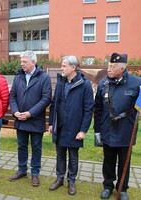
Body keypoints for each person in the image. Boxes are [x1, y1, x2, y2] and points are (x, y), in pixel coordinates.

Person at [94, 53, 141, 200]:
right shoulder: (103, 84)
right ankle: (108, 186)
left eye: (113, 67)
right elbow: (98, 109)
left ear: (122, 68)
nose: (109, 69)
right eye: (108, 66)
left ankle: (122, 188)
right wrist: (97, 130)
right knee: (108, 160)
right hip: (107, 129)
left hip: (126, 130)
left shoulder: (136, 83)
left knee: (124, 162)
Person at [48, 56, 94, 195]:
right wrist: (51, 123)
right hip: (60, 126)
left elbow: (88, 109)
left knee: (73, 157)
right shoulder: (61, 82)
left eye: (64, 66)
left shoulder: (84, 84)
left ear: (73, 68)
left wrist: (83, 130)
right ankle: (59, 178)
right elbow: (54, 104)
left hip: (75, 128)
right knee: (60, 155)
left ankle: (71, 181)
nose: (61, 68)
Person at [9, 51, 52, 186]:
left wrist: (30, 113)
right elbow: (12, 96)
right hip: (20, 119)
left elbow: (46, 98)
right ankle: (22, 170)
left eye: (25, 62)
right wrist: (15, 112)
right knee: (21, 146)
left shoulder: (44, 77)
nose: (22, 64)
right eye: (21, 62)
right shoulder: (18, 77)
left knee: (36, 147)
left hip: (35, 119)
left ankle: (35, 173)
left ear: (33, 62)